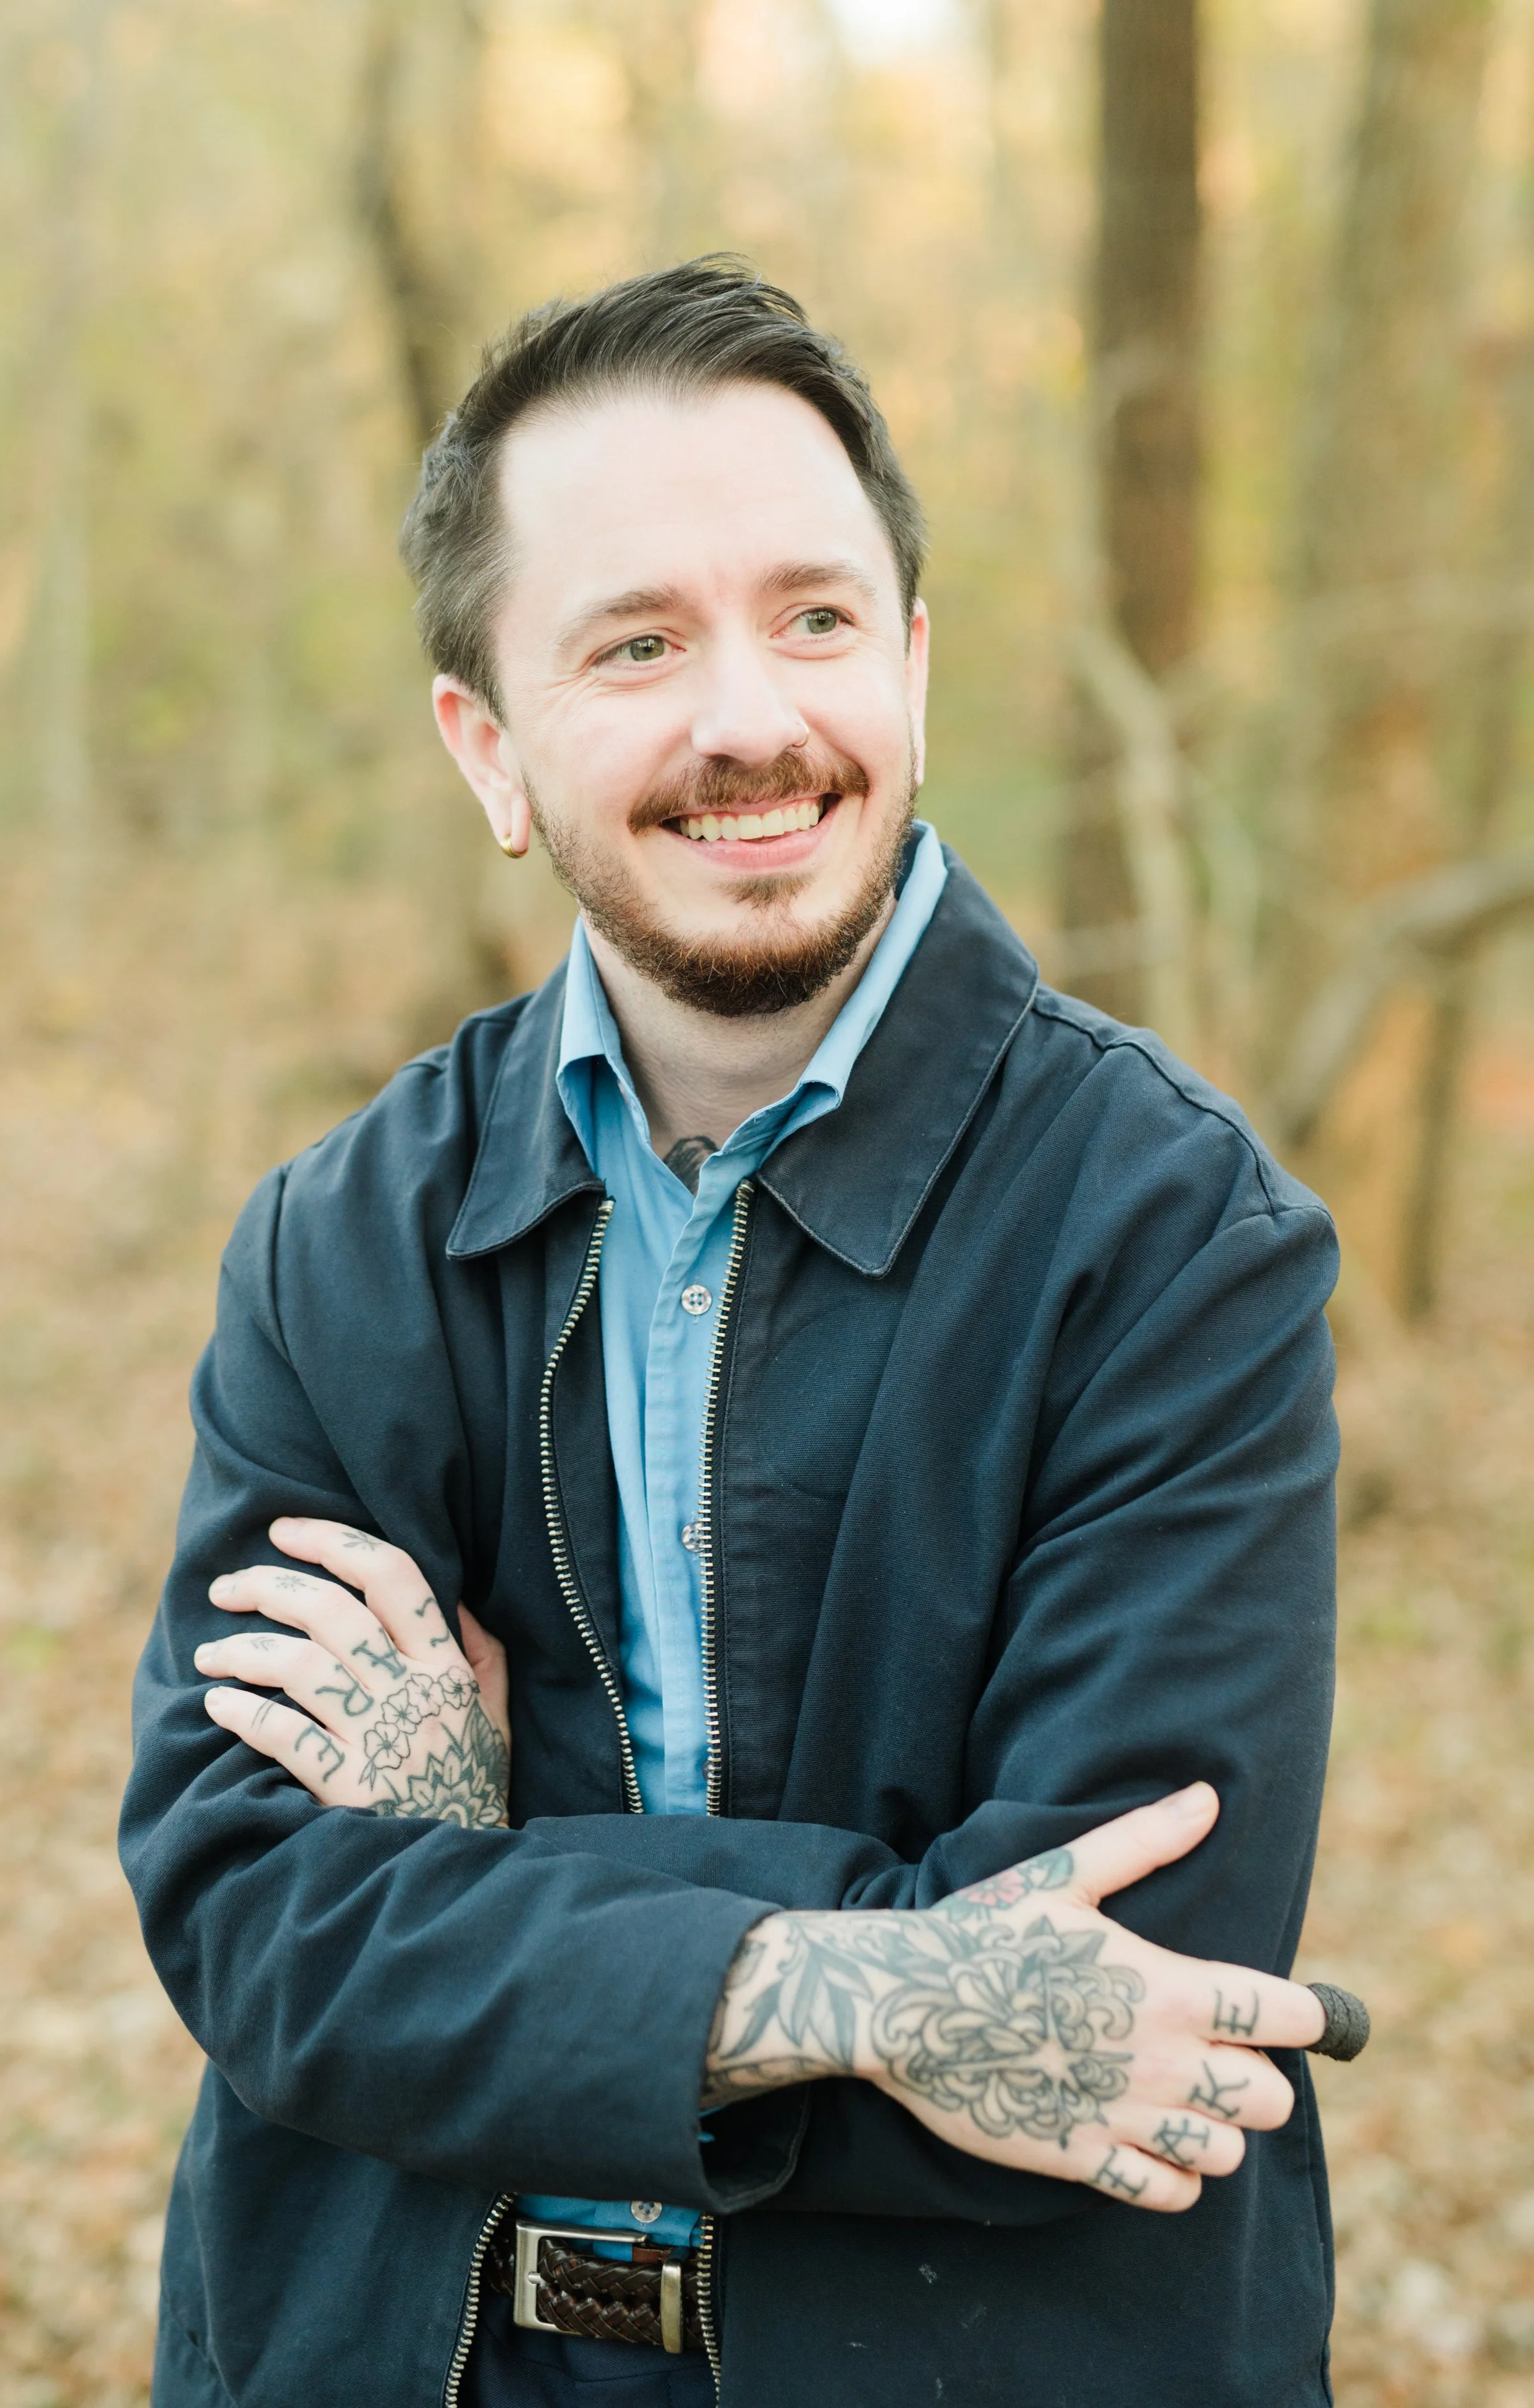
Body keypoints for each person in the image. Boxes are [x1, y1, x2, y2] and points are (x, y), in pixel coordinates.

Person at [120, 259, 1365, 2408]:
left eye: (810, 615)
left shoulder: (1176, 1232)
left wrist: (480, 1868)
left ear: (909, 659)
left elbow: (1118, 2011)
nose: (747, 720)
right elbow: (255, 1920)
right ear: (487, 747)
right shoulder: (342, 1240)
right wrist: (862, 1979)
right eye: (636, 642)